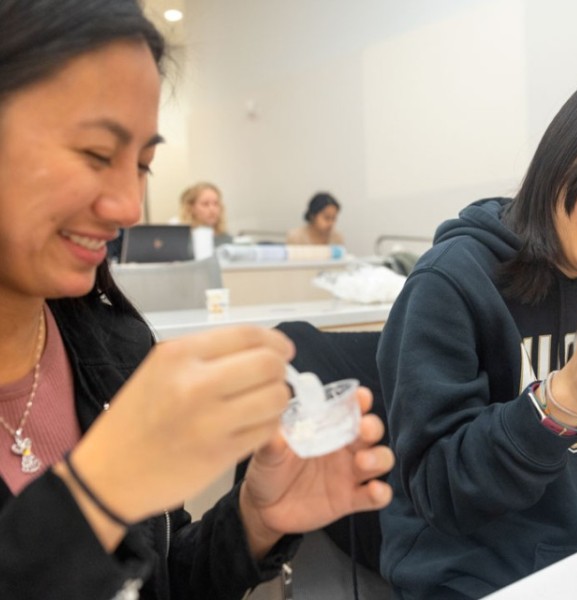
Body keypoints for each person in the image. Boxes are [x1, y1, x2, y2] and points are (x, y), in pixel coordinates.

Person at [0, 2, 395, 599]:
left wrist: (254, 523)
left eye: (142, 166)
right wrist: (97, 492)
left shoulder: (114, 350)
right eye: (96, 154)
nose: (129, 207)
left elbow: (157, 582)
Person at [377, 71, 577, 600]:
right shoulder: (451, 282)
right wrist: (568, 395)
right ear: (570, 149)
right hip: (478, 573)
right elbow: (441, 492)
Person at [176, 181, 233, 246]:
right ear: (191, 208)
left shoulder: (227, 240)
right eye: (205, 204)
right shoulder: (181, 241)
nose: (212, 209)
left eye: (216, 203)